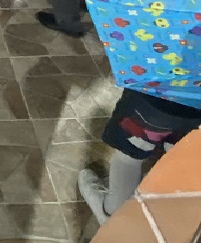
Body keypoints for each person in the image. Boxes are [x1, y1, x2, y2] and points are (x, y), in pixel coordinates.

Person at [79, 91, 201, 226]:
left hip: (155, 98)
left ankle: (111, 212)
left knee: (129, 157)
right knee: (180, 151)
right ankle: (168, 205)